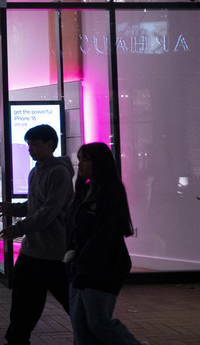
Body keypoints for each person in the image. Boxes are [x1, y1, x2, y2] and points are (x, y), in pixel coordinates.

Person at [0, 124, 73, 345]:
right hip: (32, 251)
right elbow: (35, 205)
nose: (30, 149)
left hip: (54, 253)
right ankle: (17, 339)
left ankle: (93, 334)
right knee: (23, 303)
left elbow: (49, 211)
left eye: (35, 144)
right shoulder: (35, 171)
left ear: (50, 144)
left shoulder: (60, 173)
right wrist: (13, 208)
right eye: (29, 144)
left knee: (72, 303)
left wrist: (18, 229)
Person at [64, 142, 140, 345]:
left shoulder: (110, 192)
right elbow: (75, 229)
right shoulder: (85, 190)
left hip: (104, 266)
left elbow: (103, 236)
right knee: (80, 324)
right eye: (79, 160)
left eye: (85, 160)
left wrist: (83, 265)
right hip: (80, 266)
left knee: (98, 322)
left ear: (99, 163)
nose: (80, 165)